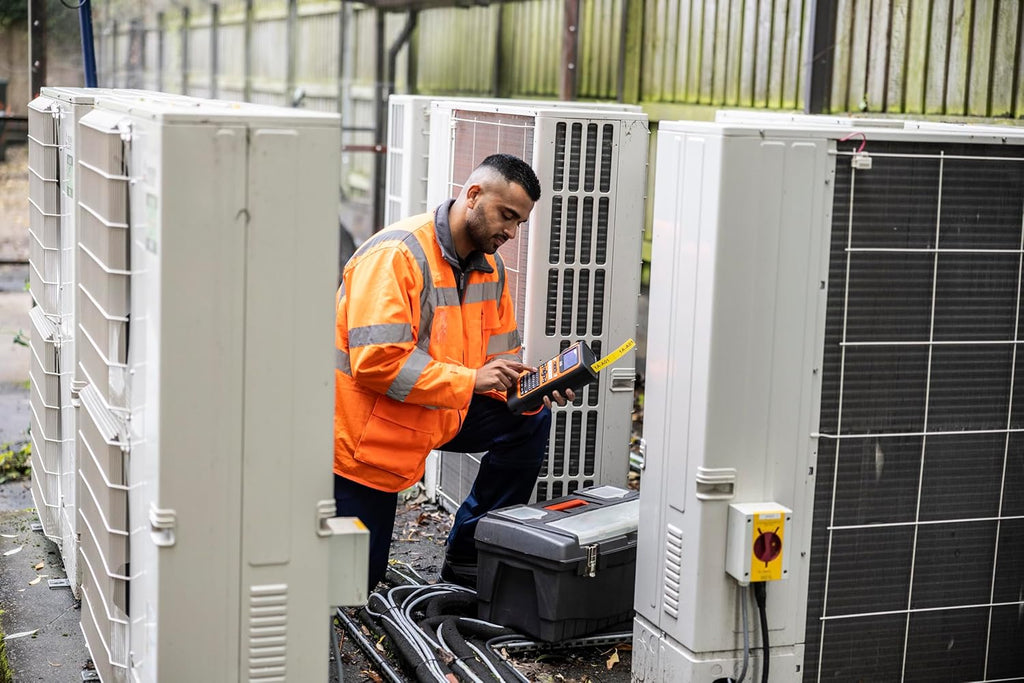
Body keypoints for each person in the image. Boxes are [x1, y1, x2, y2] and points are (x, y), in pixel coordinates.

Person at [333, 153, 572, 591]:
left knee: (529, 419)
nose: (511, 232)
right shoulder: (397, 255)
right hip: (366, 434)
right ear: (473, 195)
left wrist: (526, 391)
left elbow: (499, 360)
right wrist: (470, 380)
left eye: (519, 223)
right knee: (352, 585)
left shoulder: (491, 268)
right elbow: (375, 362)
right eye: (507, 215)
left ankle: (468, 555)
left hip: (435, 409)